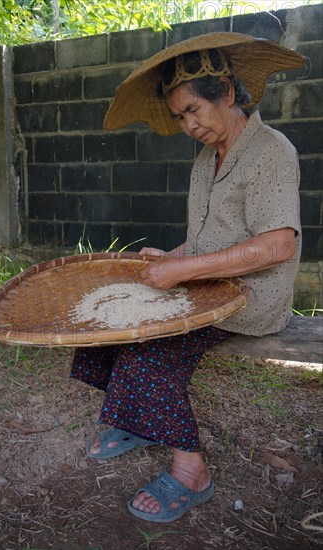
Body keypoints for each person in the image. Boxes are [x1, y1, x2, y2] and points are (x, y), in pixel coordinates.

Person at [70, 33, 304, 522]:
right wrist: (172, 255)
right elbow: (207, 238)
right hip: (208, 284)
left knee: (147, 347)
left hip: (249, 297)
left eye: (194, 109)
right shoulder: (206, 159)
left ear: (228, 91)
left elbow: (278, 245)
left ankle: (191, 472)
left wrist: (183, 270)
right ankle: (138, 421)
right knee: (106, 317)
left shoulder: (270, 152)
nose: (188, 124)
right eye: (179, 117)